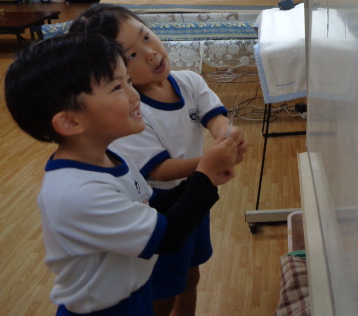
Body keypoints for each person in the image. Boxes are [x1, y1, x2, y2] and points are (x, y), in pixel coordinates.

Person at [4, 33, 242, 316]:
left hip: (133, 294)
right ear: (69, 121)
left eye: (128, 81)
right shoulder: (78, 193)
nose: (134, 95)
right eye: (117, 87)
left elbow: (151, 209)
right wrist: (204, 173)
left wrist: (205, 177)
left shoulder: (112, 158)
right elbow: (167, 236)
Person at [69, 4, 250, 316]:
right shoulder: (131, 112)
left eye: (146, 37)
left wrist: (227, 135)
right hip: (160, 204)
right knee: (164, 288)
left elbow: (215, 117)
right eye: (132, 55)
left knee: (191, 275)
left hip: (196, 192)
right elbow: (161, 171)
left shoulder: (189, 81)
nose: (150, 53)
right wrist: (209, 164)